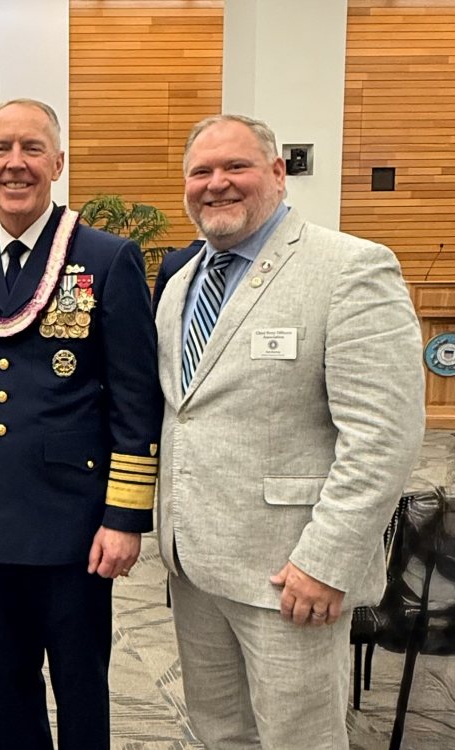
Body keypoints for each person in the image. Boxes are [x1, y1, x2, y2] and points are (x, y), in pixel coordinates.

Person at [153, 114, 425, 749]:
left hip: (291, 574)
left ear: (277, 173)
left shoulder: (350, 269)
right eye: (201, 172)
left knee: (300, 741)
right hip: (195, 566)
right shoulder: (181, 283)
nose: (216, 183)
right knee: (221, 734)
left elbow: (383, 436)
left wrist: (325, 562)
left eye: (236, 167)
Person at [0, 99, 162, 750]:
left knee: (81, 684)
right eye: (0, 149)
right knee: (5, 682)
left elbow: (135, 398)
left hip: (76, 520)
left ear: (57, 162)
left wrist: (124, 515)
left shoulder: (106, 257)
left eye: (32, 149)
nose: (15, 164)